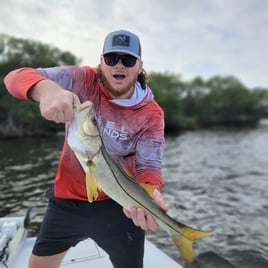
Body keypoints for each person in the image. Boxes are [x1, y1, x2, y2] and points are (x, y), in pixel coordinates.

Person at [4, 29, 168, 268]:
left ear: (140, 65)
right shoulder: (80, 78)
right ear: (101, 61)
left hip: (120, 202)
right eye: (111, 59)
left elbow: (149, 165)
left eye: (128, 59)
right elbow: (14, 78)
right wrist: (48, 90)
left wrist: (151, 192)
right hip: (66, 200)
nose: (118, 65)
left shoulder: (152, 114)